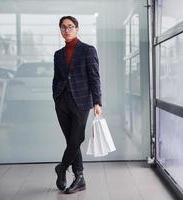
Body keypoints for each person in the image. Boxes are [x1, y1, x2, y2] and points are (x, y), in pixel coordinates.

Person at [52, 16, 102, 194]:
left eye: (70, 26)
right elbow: (57, 78)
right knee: (71, 140)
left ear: (77, 28)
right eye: (63, 27)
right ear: (60, 30)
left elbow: (94, 77)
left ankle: (62, 167)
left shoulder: (88, 50)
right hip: (62, 102)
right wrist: (56, 97)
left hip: (81, 101)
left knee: (77, 138)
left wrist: (97, 101)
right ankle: (79, 177)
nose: (67, 30)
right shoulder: (58, 54)